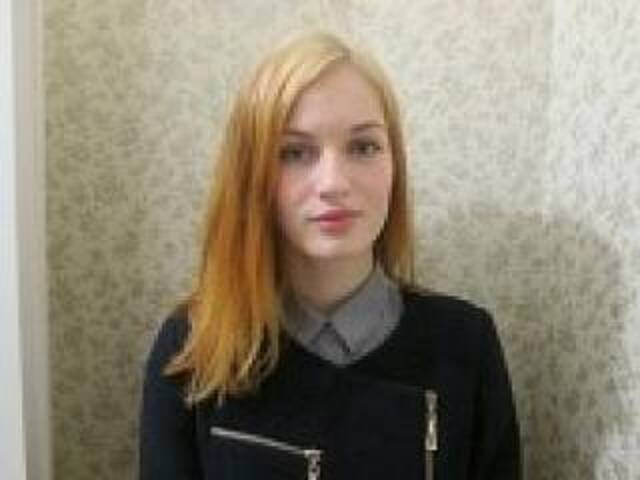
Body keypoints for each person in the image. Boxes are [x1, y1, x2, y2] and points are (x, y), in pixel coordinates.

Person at [139, 32, 521, 480]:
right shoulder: (192, 346)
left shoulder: (465, 343)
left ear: (394, 165)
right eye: (294, 153)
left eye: (364, 147)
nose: (333, 183)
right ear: (251, 175)